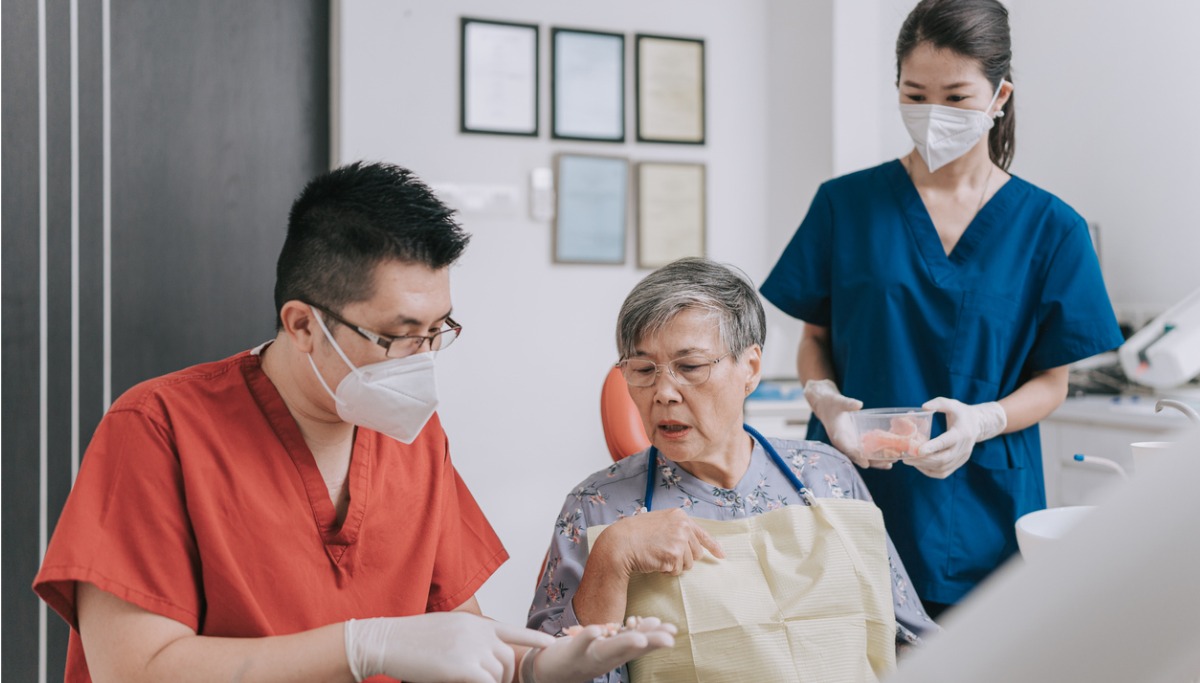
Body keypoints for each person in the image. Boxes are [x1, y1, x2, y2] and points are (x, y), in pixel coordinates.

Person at [33, 161, 673, 683]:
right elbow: (133, 668)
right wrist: (363, 646)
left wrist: (532, 669)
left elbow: (455, 635)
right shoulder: (158, 428)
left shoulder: (413, 436)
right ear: (303, 325)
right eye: (398, 336)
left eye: (436, 331)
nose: (420, 359)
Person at [760, 0, 1123, 619]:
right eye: (914, 93)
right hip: (853, 485)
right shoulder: (844, 205)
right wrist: (822, 398)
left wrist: (982, 421)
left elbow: (1052, 382)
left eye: (956, 97)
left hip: (982, 503)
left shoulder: (1051, 228)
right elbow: (814, 335)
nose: (933, 115)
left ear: (999, 94)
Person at [528, 258, 938, 682]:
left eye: (690, 367)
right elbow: (548, 674)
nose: (664, 392)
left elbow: (911, 639)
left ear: (751, 369)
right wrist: (611, 559)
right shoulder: (596, 508)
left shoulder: (827, 474)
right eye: (644, 370)